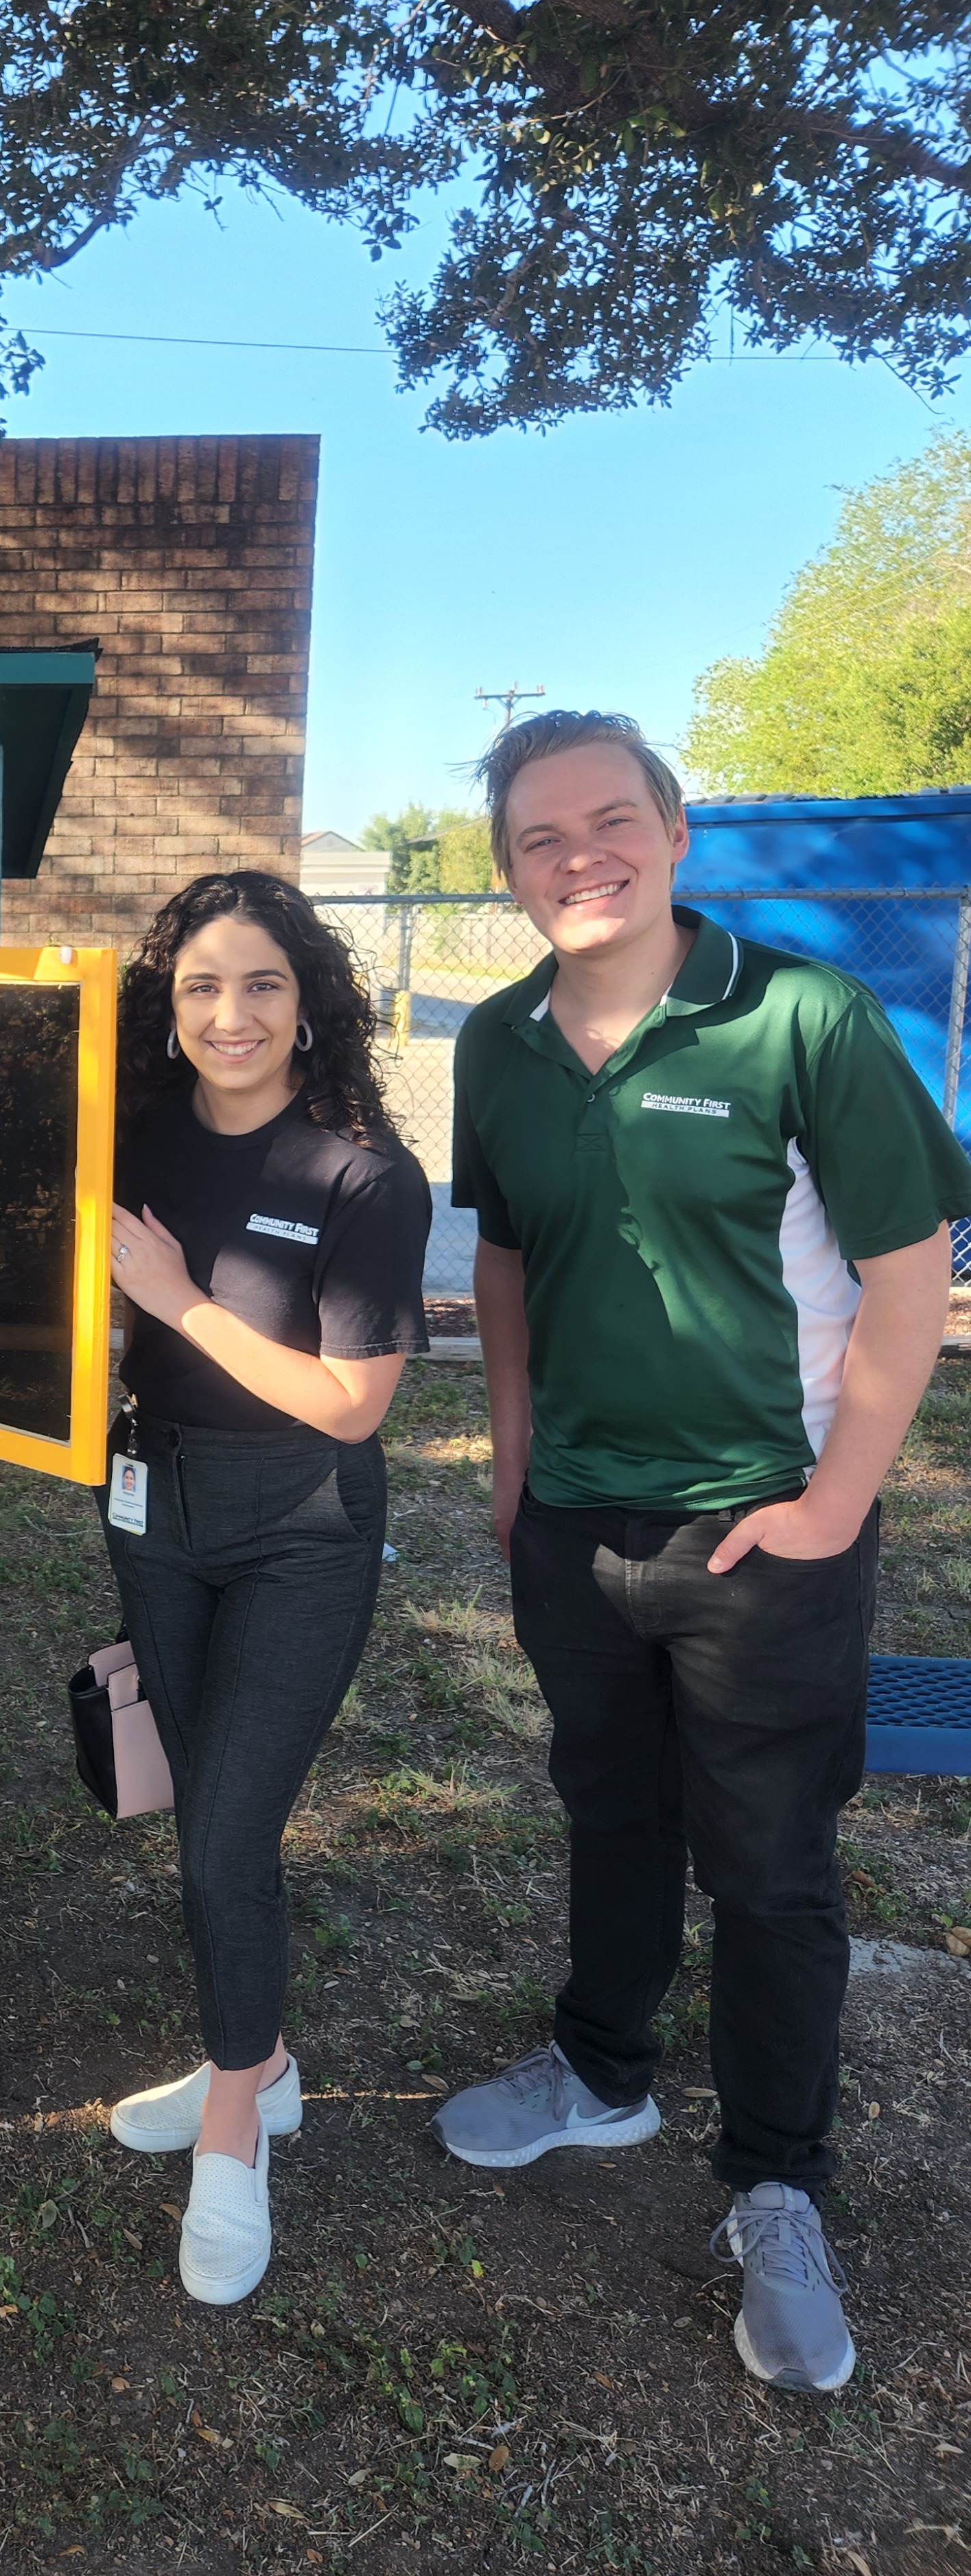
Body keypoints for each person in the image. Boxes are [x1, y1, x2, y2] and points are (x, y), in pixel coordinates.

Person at [436, 710, 971, 2396]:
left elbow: (909, 1272)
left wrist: (829, 1503)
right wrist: (516, 1464)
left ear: (675, 833)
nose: (578, 854)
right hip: (577, 1524)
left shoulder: (799, 1013)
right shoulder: (499, 1044)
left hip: (762, 1528)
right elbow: (506, 1265)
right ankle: (603, 2065)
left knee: (771, 1863)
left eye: (612, 819)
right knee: (609, 1803)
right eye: (539, 835)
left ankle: (779, 2178)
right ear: (510, 870)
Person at [98, 869, 431, 2306]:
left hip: (300, 1519)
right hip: (150, 1505)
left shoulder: (362, 1171)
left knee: (227, 1832)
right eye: (200, 987)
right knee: (200, 1809)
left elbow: (353, 1403)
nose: (230, 1015)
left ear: (311, 1002)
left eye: (263, 984)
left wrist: (177, 1301)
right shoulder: (131, 1131)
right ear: (165, 1011)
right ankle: (268, 2059)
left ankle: (237, 2120)